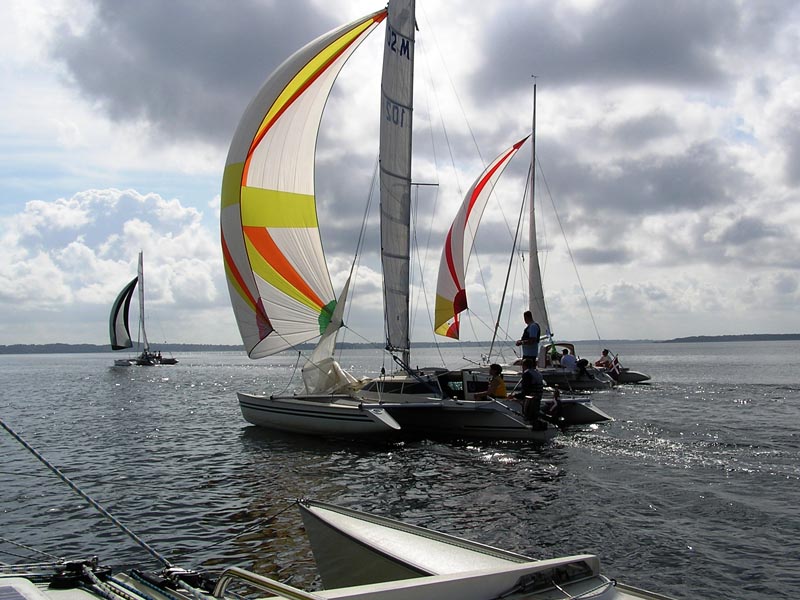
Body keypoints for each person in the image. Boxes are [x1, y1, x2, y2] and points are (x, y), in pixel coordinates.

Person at [512, 358, 545, 428]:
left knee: (529, 415)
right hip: (538, 397)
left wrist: (514, 396)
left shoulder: (527, 374)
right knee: (535, 414)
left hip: (530, 399)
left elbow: (526, 392)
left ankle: (531, 427)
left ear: (524, 365)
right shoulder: (538, 373)